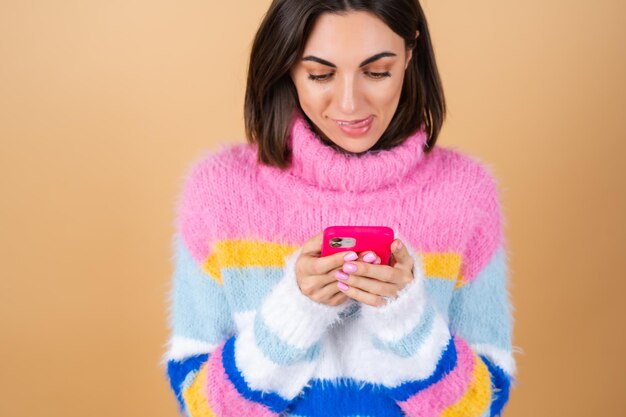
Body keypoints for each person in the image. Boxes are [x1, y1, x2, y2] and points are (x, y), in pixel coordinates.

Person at [162, 0, 518, 416]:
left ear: (409, 53)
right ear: (286, 66)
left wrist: (408, 323)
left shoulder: (464, 193)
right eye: (320, 74)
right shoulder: (219, 193)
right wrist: (294, 315)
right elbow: (199, 405)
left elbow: (482, 405)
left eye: (377, 71)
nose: (349, 104)